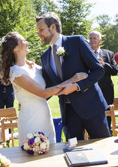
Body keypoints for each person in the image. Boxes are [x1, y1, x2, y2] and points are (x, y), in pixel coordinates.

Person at [0, 31, 87, 167]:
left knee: (44, 159)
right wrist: (73, 79)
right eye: (24, 41)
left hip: (44, 115)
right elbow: (44, 93)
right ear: (16, 47)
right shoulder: (16, 71)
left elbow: (55, 77)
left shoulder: (34, 66)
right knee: (28, 162)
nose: (28, 42)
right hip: (30, 118)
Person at [37, 12, 111, 141]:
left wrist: (77, 86)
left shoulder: (77, 41)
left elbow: (98, 70)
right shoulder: (45, 57)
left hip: (92, 108)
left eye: (41, 29)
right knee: (74, 153)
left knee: (103, 145)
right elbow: (49, 87)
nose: (39, 34)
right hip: (68, 113)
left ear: (53, 27)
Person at [88, 31, 118, 131]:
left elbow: (115, 71)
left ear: (100, 40)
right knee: (92, 119)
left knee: (107, 118)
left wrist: (104, 64)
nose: (92, 40)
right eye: (90, 38)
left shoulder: (108, 54)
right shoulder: (85, 53)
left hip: (106, 92)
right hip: (90, 91)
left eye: (94, 38)